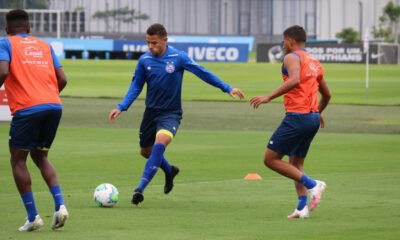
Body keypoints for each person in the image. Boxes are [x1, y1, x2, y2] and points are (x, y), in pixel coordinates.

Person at [109, 23, 244, 206]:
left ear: (165, 40)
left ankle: (140, 188)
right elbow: (136, 86)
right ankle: (169, 170)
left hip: (171, 114)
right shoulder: (144, 61)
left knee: (159, 145)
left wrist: (227, 88)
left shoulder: (178, 57)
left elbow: (202, 72)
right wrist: (122, 106)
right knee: (145, 151)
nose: (150, 46)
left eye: (154, 43)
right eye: (148, 43)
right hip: (150, 114)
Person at [250, 25, 331, 219]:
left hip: (298, 117)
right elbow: (327, 95)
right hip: (311, 118)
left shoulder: (291, 57)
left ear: (290, 41)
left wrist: (268, 96)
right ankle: (302, 208)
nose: (283, 44)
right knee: (295, 163)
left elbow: (294, 80)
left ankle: (313, 184)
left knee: (270, 159)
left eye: (283, 40)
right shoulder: (314, 61)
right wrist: (316, 112)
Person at [0, 9, 69, 231]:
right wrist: (47, 96)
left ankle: (33, 217)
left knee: (18, 160)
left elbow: (2, 71)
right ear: (29, 28)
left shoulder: (6, 43)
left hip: (28, 108)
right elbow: (63, 78)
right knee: (40, 155)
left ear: (7, 29)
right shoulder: (45, 45)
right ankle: (61, 206)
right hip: (53, 105)